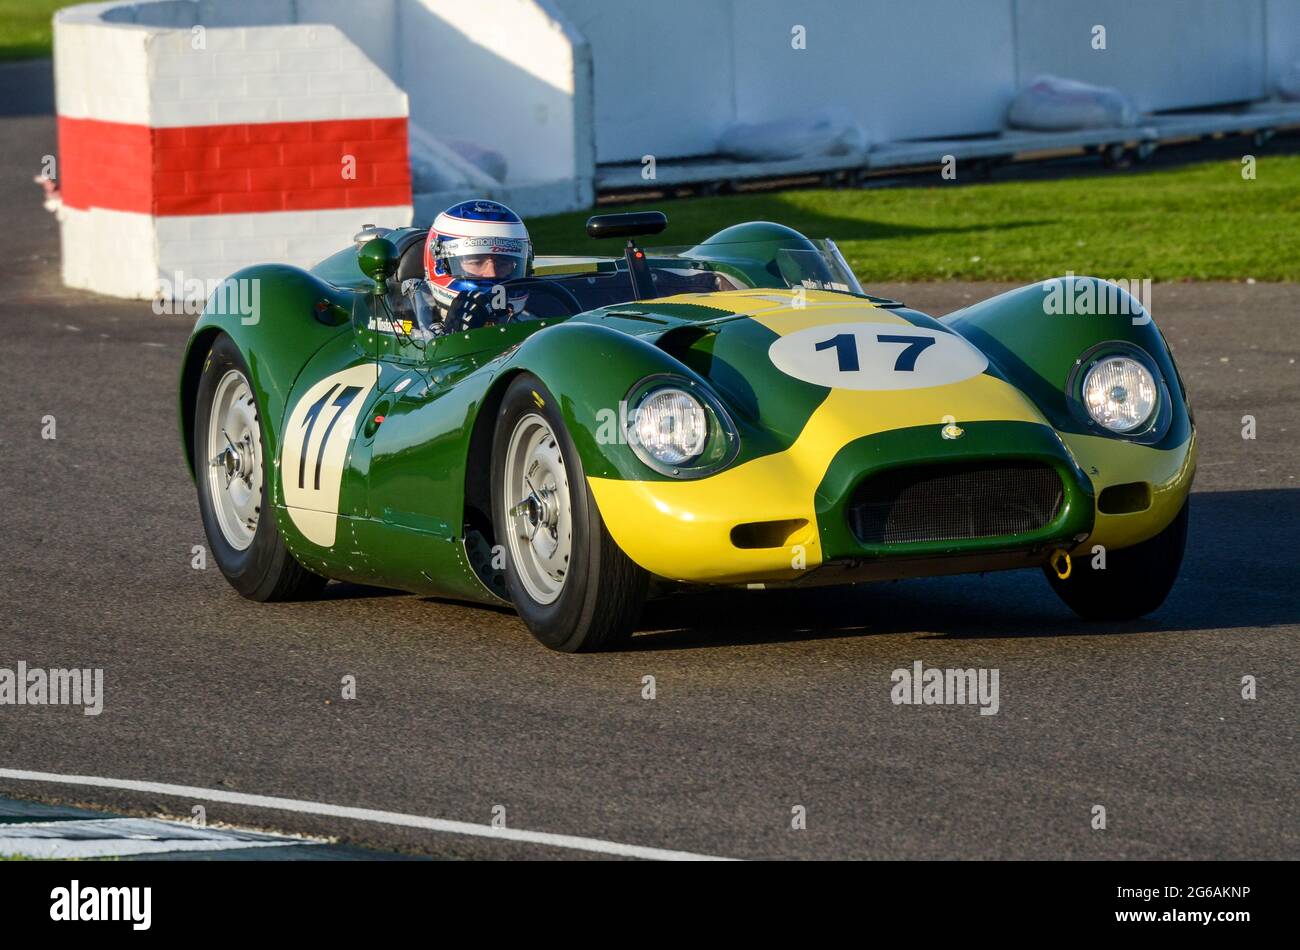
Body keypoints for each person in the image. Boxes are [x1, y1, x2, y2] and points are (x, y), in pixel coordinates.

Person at [417, 199, 533, 333]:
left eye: (503, 262)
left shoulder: (537, 325)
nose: (492, 273)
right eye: (476, 263)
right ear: (439, 266)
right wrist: (452, 335)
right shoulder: (411, 332)